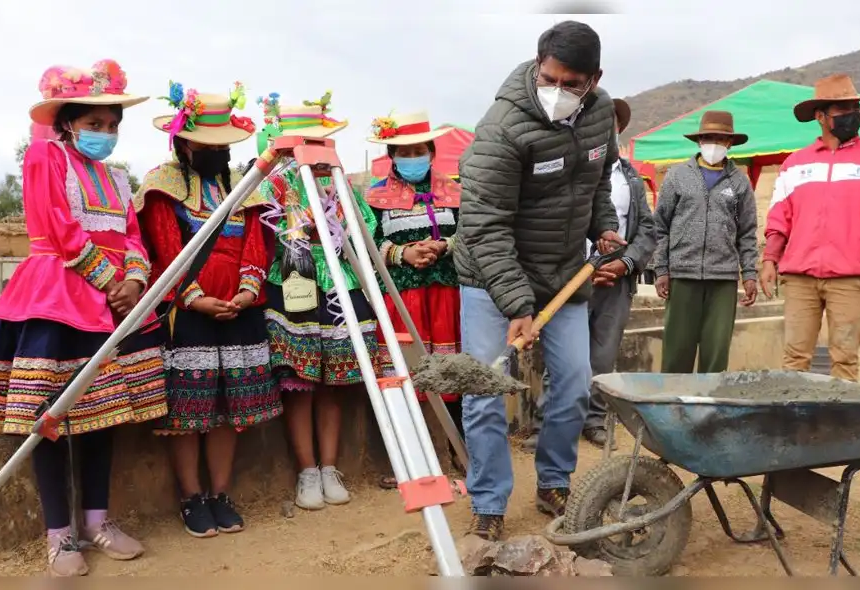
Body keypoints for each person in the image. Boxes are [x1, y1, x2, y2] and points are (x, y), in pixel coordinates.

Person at [0, 60, 166, 577]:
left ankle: (98, 521)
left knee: (102, 417)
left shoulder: (118, 179)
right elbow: (58, 228)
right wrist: (109, 281)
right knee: (49, 420)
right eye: (95, 124)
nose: (106, 134)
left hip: (111, 304)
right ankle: (59, 534)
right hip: (58, 299)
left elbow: (133, 237)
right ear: (69, 123)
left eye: (113, 126)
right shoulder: (45, 158)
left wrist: (136, 283)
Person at [454, 20, 625, 541]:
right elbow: (484, 225)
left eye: (572, 84)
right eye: (551, 78)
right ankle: (488, 500)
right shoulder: (503, 127)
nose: (559, 92)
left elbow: (598, 181)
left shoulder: (600, 116)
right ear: (537, 63)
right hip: (490, 278)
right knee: (485, 392)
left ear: (594, 80)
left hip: (562, 277)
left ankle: (553, 482)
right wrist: (516, 304)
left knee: (574, 384)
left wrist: (606, 228)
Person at [136, 82, 281, 538]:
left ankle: (220, 492)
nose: (216, 152)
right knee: (186, 413)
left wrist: (246, 291)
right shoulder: (163, 186)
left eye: (222, 145)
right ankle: (191, 496)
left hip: (240, 308)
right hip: (188, 313)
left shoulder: (245, 187)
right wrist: (194, 296)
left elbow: (258, 243)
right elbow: (165, 246)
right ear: (183, 142)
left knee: (224, 409)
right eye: (206, 144)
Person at [255, 91, 383, 511]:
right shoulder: (274, 181)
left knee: (335, 383)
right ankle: (307, 471)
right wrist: (301, 231)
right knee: (300, 384)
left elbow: (362, 226)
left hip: (341, 284)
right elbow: (266, 233)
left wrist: (336, 228)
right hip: (295, 286)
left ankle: (329, 467)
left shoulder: (340, 180)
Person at [524, 98, 657, 452]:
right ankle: (545, 425)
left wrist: (626, 263)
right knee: (562, 356)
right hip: (571, 277)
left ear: (618, 132)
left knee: (602, 355)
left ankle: (594, 420)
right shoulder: (569, 168)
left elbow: (646, 227)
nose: (604, 129)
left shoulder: (631, 178)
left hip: (617, 278)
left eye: (610, 124)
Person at [761, 74, 860, 381]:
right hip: (799, 277)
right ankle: (796, 424)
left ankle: (840, 426)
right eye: (843, 109)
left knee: (844, 359)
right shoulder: (795, 164)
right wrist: (769, 259)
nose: (853, 114)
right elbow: (779, 218)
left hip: (851, 277)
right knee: (795, 357)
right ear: (820, 116)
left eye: (855, 107)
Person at [365, 111, 466, 489]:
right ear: (391, 154)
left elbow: (471, 233)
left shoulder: (454, 191)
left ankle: (460, 451)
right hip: (402, 300)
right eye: (404, 152)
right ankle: (410, 458)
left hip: (447, 297)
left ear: (431, 151)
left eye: (418, 150)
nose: (412, 157)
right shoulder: (374, 197)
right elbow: (366, 243)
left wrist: (443, 245)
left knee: (452, 372)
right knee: (405, 376)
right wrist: (402, 254)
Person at [653, 110, 759, 374]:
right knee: (677, 352)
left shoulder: (739, 182)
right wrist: (662, 269)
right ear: (699, 141)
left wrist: (749, 274)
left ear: (730, 143)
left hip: (722, 278)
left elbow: (747, 231)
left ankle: (709, 409)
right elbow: (660, 226)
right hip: (682, 274)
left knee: (716, 354)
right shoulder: (678, 176)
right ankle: (674, 408)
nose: (714, 144)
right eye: (709, 137)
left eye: (721, 139)